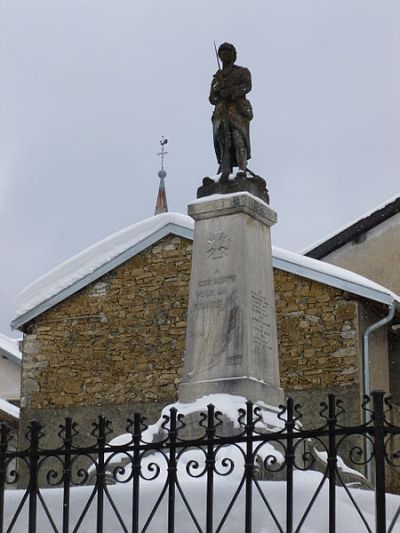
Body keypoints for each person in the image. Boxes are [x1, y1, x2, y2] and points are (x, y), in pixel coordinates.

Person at [209, 43, 253, 180]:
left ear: (234, 55)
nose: (225, 54)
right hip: (221, 113)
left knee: (239, 139)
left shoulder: (241, 71)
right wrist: (219, 95)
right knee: (223, 142)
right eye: (222, 52)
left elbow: (246, 86)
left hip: (237, 111)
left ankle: (241, 168)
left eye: (228, 51)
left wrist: (230, 92)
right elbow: (212, 97)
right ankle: (224, 169)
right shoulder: (217, 78)